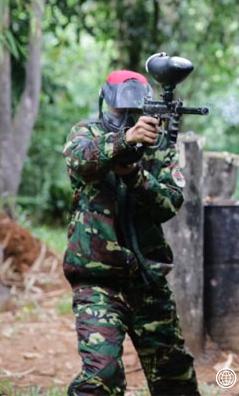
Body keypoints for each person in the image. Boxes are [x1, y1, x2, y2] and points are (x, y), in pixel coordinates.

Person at [62, 70, 199, 395]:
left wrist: (134, 175)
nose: (125, 117)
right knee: (101, 376)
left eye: (133, 111)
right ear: (105, 104)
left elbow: (170, 203)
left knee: (175, 378)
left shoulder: (157, 145)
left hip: (147, 278)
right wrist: (124, 141)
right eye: (118, 110)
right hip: (97, 279)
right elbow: (79, 161)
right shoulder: (86, 132)